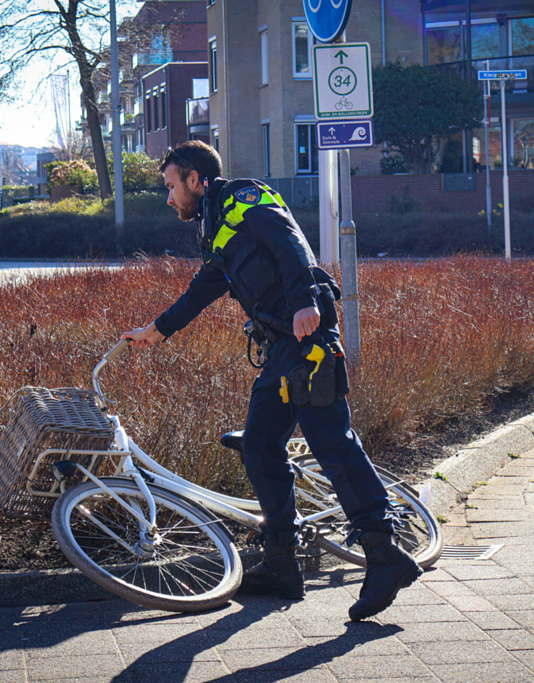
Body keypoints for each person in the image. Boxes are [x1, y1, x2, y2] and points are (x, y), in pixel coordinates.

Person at [121, 141, 421, 621]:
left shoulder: (242, 198)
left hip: (308, 336)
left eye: (172, 185)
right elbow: (205, 287)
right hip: (280, 347)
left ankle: (384, 555)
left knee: (333, 445)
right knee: (259, 444)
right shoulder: (216, 225)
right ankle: (282, 563)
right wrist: (157, 331)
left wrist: (305, 299)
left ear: (196, 178)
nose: (169, 197)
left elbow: (289, 241)